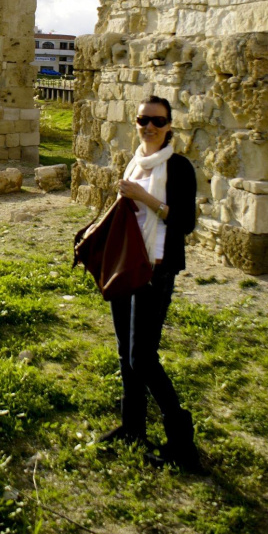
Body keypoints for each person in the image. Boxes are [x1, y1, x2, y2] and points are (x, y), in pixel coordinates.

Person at [100, 94, 201, 472]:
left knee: (143, 356)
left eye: (158, 121)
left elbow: (185, 222)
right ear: (136, 122)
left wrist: (145, 198)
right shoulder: (135, 163)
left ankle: (181, 442)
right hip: (127, 265)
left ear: (170, 125)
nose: (150, 127)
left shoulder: (178, 167)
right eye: (144, 120)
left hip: (156, 269)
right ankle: (132, 427)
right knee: (126, 352)